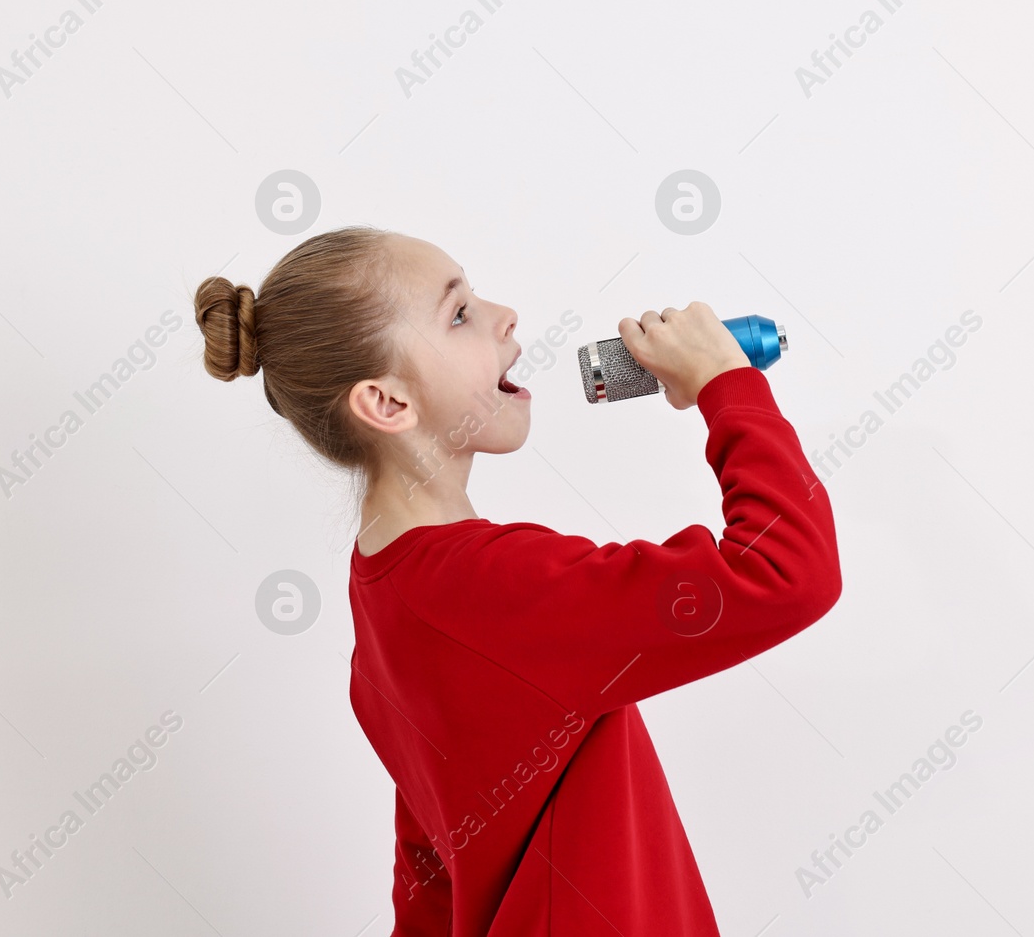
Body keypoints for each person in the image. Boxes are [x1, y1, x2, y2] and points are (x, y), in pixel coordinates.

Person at [194, 225, 842, 935]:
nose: (506, 316)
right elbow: (789, 572)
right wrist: (728, 386)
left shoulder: (385, 598)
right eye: (460, 313)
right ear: (386, 403)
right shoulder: (496, 587)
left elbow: (431, 876)